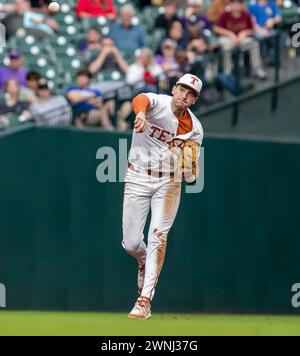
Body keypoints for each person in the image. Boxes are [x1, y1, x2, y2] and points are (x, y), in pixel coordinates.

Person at [122, 73, 204, 319]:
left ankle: (144, 300)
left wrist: (190, 170)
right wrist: (139, 113)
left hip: (168, 181)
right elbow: (140, 99)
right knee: (132, 243)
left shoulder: (194, 128)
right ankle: (143, 260)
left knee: (158, 235)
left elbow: (190, 171)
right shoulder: (156, 103)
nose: (185, 95)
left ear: (194, 100)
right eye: (182, 89)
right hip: (137, 175)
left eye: (191, 93)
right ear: (174, 88)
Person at [214, 0, 266, 79]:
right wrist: (230, 34)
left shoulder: (246, 15)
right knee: (226, 46)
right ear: (230, 4)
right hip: (229, 40)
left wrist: (244, 33)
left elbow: (252, 29)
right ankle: (227, 73)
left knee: (254, 43)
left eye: (239, 3)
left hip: (242, 40)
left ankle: (257, 69)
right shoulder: (225, 15)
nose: (237, 5)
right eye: (234, 3)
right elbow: (216, 28)